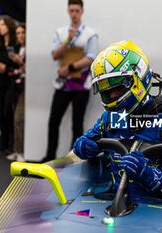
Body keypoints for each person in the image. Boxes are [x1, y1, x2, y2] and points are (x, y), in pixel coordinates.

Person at [73, 41, 162, 202]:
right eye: (106, 90)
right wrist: (82, 146)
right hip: (117, 207)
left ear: (137, 80)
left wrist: (148, 174)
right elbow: (83, 142)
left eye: (117, 88)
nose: (112, 95)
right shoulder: (112, 119)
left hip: (156, 211)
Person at [42, 0, 98, 162]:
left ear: (82, 12)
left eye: (77, 11)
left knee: (77, 124)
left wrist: (71, 67)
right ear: (68, 11)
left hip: (81, 86)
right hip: (63, 85)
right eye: (71, 10)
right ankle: (49, 157)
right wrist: (67, 40)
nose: (74, 14)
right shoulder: (60, 33)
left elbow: (91, 58)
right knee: (53, 121)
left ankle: (73, 160)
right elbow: (55, 55)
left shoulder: (90, 34)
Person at [0, 17, 17, 155]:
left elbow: (17, 62)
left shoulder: (15, 43)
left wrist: (6, 68)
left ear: (9, 26)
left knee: (9, 112)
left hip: (11, 82)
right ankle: (3, 143)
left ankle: (12, 144)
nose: (0, 27)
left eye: (2, 25)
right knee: (1, 112)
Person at [6, 23, 26, 162]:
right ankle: (16, 149)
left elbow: (30, 68)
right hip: (15, 85)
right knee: (14, 118)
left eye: (23, 32)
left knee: (19, 118)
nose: (20, 36)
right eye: (18, 33)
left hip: (27, 86)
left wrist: (20, 62)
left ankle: (21, 151)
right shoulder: (17, 49)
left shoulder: (30, 50)